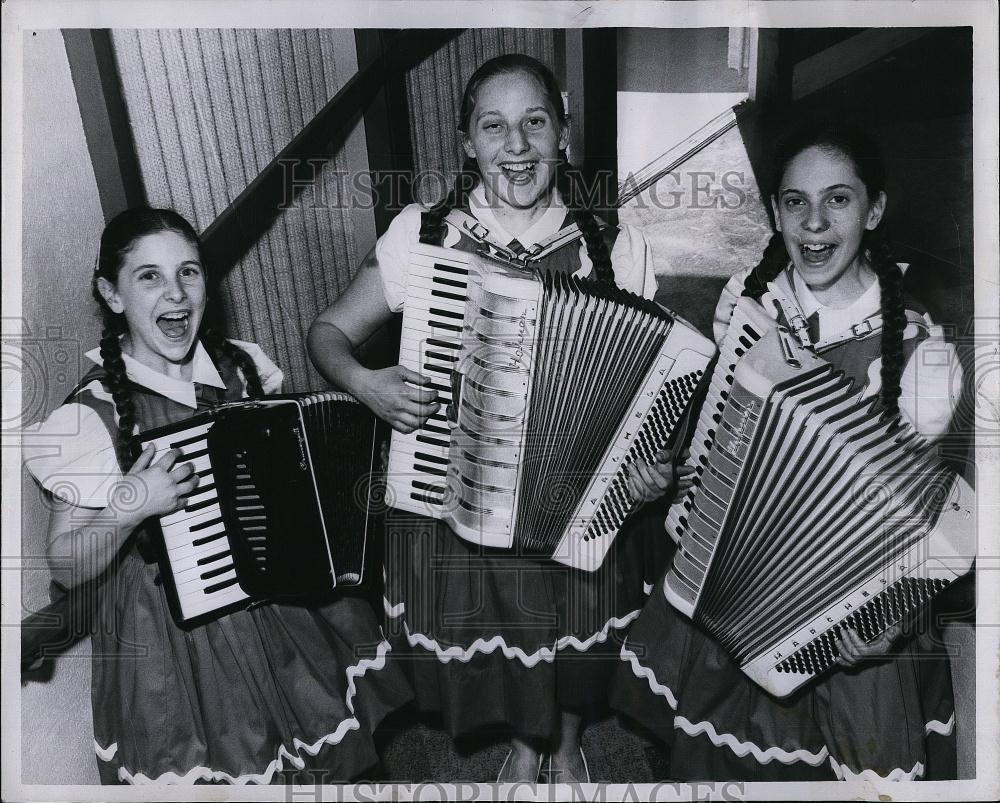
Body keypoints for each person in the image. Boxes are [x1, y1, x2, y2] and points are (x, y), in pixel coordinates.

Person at [308, 54, 676, 782]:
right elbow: (328, 333)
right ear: (467, 143)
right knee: (506, 632)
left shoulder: (614, 244)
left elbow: (651, 386)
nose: (517, 145)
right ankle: (526, 744)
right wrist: (367, 385)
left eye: (535, 122)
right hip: (457, 485)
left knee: (571, 629)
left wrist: (649, 460)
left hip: (572, 496)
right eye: (494, 126)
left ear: (563, 133)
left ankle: (564, 744)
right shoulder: (424, 235)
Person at [612, 122, 964, 782]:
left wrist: (889, 622)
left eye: (839, 199)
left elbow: (926, 526)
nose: (814, 222)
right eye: (795, 201)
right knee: (711, 757)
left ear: (875, 211)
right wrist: (671, 475)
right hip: (737, 569)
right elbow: (718, 434)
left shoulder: (924, 354)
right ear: (776, 212)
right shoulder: (748, 300)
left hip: (842, 606)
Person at [22, 208, 412, 784]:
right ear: (111, 294)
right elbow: (65, 562)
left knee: (320, 751)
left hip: (282, 597)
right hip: (174, 638)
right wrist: (131, 505)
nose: (176, 293)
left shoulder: (242, 365)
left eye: (189, 271)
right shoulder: (88, 419)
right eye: (149, 276)